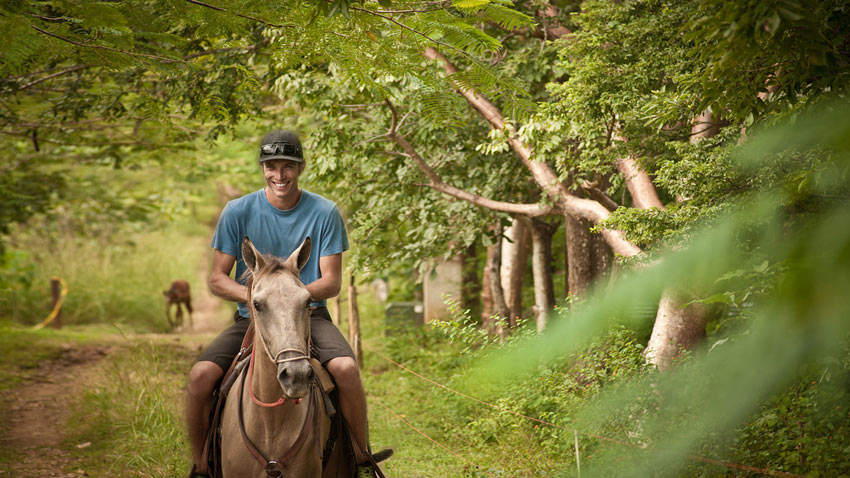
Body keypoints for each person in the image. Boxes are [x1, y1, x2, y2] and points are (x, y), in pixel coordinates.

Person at [186, 129, 378, 477]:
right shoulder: (237, 211)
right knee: (201, 377)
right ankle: (202, 464)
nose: (279, 175)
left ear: (300, 167)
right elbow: (217, 278)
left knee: (347, 371)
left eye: (287, 166)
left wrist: (294, 296)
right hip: (253, 316)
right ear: (262, 169)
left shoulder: (325, 212)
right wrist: (260, 297)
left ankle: (361, 459)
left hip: (309, 314)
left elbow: (331, 280)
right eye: (271, 166)